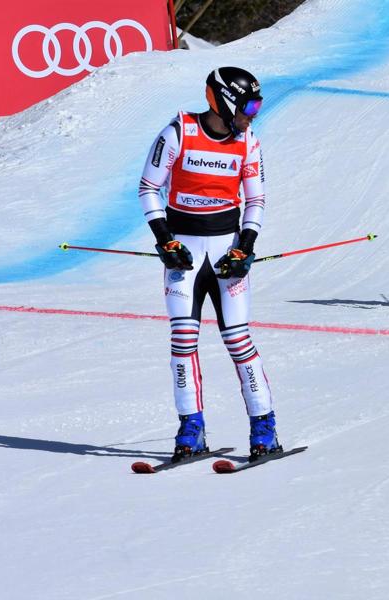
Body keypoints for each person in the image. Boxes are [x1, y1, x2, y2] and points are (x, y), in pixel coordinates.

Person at [137, 66, 281, 462]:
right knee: (182, 342)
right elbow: (148, 188)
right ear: (224, 99)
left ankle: (264, 428)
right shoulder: (178, 132)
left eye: (258, 105)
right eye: (249, 105)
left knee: (237, 339)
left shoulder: (248, 141)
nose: (253, 114)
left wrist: (246, 246)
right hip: (183, 251)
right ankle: (191, 429)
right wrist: (165, 240)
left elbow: (255, 199)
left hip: (225, 250)